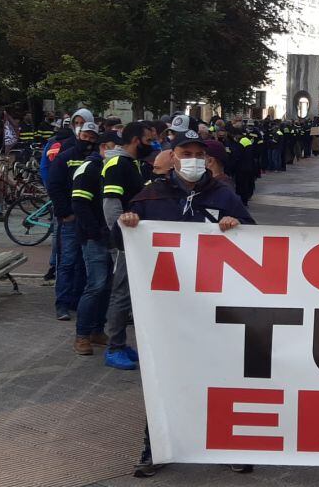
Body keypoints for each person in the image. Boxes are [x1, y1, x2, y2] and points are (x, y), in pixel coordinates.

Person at [119, 129, 255, 479]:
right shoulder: (150, 197)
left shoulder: (223, 195)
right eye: (185, 152)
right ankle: (157, 448)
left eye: (198, 152)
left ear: (207, 158)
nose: (192, 159)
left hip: (216, 306)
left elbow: (257, 241)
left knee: (221, 376)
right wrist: (129, 225)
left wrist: (236, 226)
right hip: (168, 310)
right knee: (163, 377)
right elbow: (120, 241)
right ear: (172, 156)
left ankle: (229, 446)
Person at [99, 122, 156, 370]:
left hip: (132, 238)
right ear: (134, 140)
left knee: (128, 294)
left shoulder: (132, 164)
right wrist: (121, 236)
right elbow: (111, 205)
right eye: (148, 140)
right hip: (125, 241)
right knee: (121, 293)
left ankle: (120, 343)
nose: (152, 144)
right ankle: (114, 347)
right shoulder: (117, 165)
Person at [70, 131, 121, 355]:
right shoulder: (89, 169)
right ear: (102, 148)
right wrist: (94, 231)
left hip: (108, 236)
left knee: (107, 286)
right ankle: (82, 335)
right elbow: (80, 204)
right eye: (111, 147)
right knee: (96, 285)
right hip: (94, 237)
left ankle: (97, 330)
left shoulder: (111, 169)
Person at [47, 121, 101, 321]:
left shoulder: (96, 162)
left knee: (82, 262)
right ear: (79, 136)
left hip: (86, 219)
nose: (88, 140)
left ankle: (77, 301)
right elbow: (55, 186)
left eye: (92, 137)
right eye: (85, 136)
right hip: (70, 219)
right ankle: (62, 303)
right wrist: (64, 213)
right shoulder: (65, 158)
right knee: (67, 261)